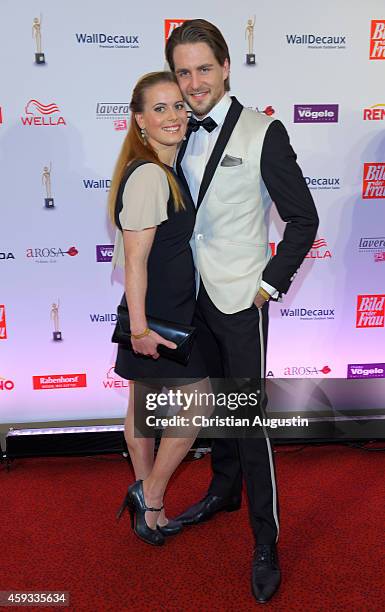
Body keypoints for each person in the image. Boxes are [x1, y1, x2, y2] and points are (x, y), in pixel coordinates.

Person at [166, 20, 319, 602]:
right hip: (192, 298)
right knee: (218, 411)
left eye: (204, 68)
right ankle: (223, 490)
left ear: (226, 67)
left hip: (240, 299)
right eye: (184, 71)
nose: (195, 81)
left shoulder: (264, 132)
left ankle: (265, 541)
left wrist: (268, 286)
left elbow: (303, 220)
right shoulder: (174, 130)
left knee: (250, 424)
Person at [109, 71, 210, 547]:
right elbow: (135, 261)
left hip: (158, 314)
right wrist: (142, 329)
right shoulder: (150, 174)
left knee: (143, 414)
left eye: (179, 107)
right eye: (161, 108)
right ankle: (149, 494)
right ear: (140, 120)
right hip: (157, 318)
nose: (174, 116)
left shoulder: (160, 170)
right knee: (197, 405)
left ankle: (151, 511)